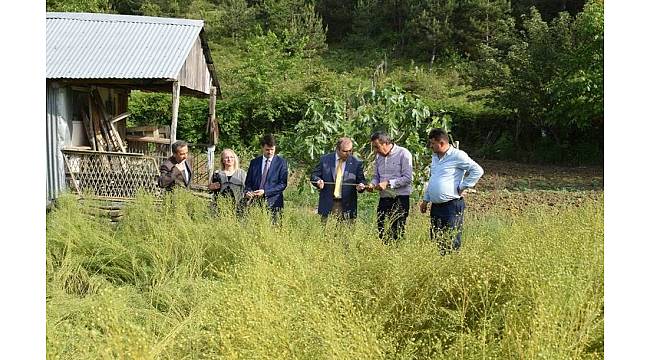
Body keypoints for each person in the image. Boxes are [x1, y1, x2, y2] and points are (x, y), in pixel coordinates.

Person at [419, 128, 484, 255]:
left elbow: (477, 170)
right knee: (436, 239)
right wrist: (425, 200)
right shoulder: (435, 157)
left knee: (451, 239)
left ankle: (452, 265)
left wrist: (463, 186)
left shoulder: (457, 155)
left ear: (441, 143)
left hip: (451, 206)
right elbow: (432, 179)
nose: (431, 146)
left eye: (433, 143)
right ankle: (440, 265)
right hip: (436, 206)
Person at [366, 131, 413, 243]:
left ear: (385, 143)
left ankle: (396, 255)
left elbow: (407, 178)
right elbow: (376, 176)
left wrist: (387, 183)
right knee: (381, 230)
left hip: (400, 199)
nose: (375, 150)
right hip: (384, 199)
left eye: (377, 147)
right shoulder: (378, 157)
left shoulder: (403, 154)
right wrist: (372, 184)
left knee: (396, 232)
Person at [311, 137, 367, 223]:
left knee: (345, 234)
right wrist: (318, 181)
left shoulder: (356, 163)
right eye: (345, 151)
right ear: (337, 149)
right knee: (325, 233)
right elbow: (314, 176)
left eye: (350, 151)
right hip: (328, 203)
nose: (348, 154)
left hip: (347, 205)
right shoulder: (325, 160)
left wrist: (361, 186)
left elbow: (362, 181)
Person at [243, 134, 288, 223]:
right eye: (267, 149)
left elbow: (283, 184)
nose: (270, 152)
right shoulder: (254, 162)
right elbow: (248, 183)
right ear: (262, 148)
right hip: (254, 202)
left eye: (272, 150)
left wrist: (265, 192)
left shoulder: (281, 163)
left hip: (273, 203)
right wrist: (248, 192)